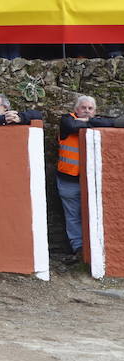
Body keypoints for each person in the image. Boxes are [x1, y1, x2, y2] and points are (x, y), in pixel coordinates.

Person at [57, 95, 117, 263]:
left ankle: (95, 250)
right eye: (83, 108)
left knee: (94, 214)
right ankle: (78, 249)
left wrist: (90, 122)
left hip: (91, 181)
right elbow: (72, 126)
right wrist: (91, 123)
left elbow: (109, 123)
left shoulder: (95, 121)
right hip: (68, 179)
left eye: (90, 109)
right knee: (73, 216)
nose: (87, 111)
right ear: (76, 109)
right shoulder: (66, 120)